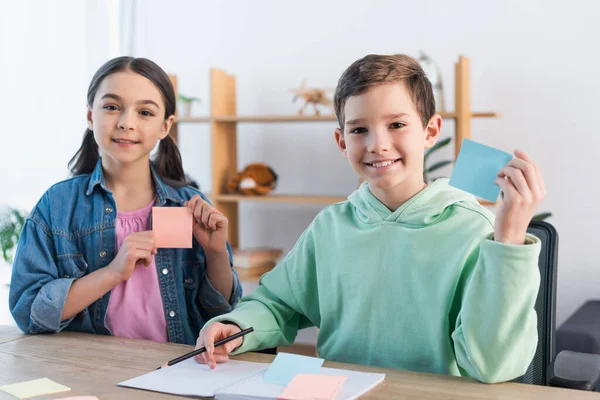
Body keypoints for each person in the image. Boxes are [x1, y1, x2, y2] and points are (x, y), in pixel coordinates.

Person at [195, 54, 546, 384]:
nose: (378, 144)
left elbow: (492, 364)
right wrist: (237, 325)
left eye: (396, 124)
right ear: (341, 141)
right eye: (359, 129)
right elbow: (277, 304)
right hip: (339, 390)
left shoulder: (472, 228)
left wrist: (509, 241)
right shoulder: (330, 226)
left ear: (431, 131)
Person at [9, 56, 242, 345]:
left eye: (145, 112)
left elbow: (222, 311)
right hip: (89, 369)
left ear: (165, 126)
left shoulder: (188, 206)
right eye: (111, 107)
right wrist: (112, 273)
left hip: (176, 368)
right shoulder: (57, 206)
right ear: (91, 115)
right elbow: (29, 313)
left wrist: (216, 253)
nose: (126, 123)